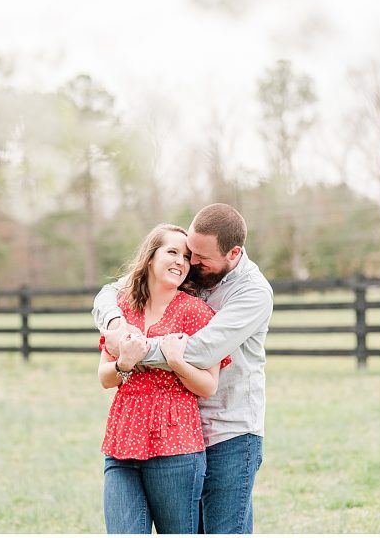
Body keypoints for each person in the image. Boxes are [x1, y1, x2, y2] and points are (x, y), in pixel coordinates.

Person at [94, 204, 273, 534]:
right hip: (182, 429)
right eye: (189, 252)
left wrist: (133, 347)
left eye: (199, 257)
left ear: (233, 253)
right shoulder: (194, 269)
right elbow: (110, 292)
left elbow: (201, 351)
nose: (191, 263)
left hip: (228, 431)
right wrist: (116, 324)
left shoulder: (253, 293)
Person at [98, 223, 231, 534]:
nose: (180, 262)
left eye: (186, 257)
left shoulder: (196, 313)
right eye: (172, 252)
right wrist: (123, 363)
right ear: (149, 258)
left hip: (175, 444)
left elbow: (208, 386)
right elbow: (104, 377)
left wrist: (177, 362)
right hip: (122, 439)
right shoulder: (123, 310)